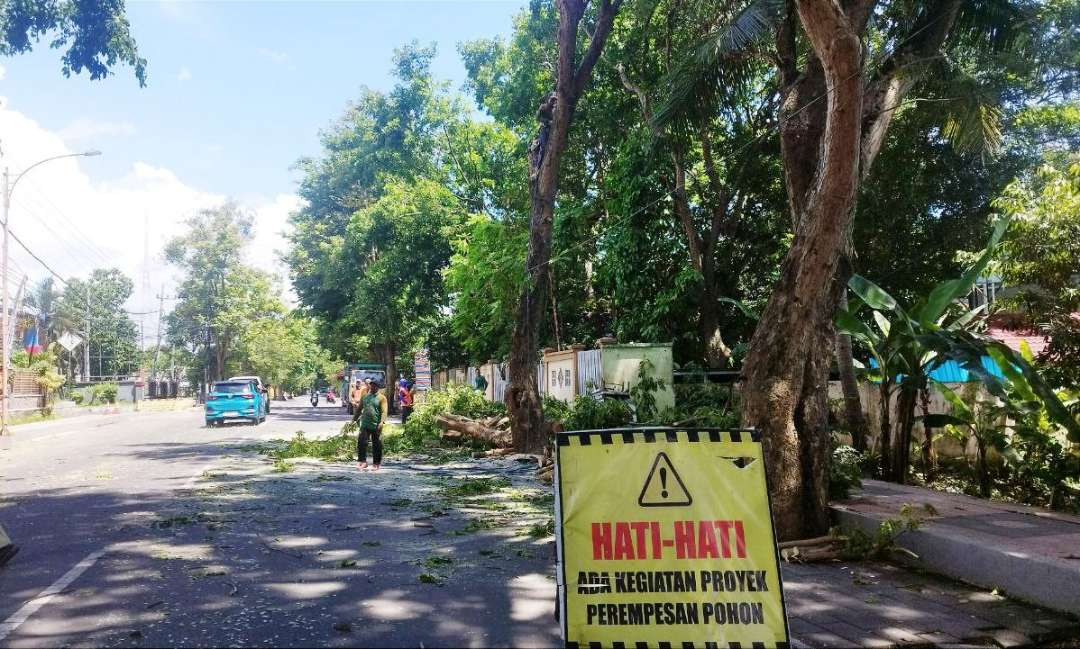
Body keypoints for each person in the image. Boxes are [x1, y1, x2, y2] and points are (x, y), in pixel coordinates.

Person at [352, 378, 387, 471]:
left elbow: (384, 412)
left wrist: (381, 422)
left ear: (378, 387)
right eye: (371, 385)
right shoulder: (365, 397)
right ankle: (362, 461)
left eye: (374, 385)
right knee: (361, 442)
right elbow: (359, 409)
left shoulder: (382, 398)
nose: (372, 386)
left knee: (377, 444)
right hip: (365, 424)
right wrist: (354, 420)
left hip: (376, 425)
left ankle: (376, 463)